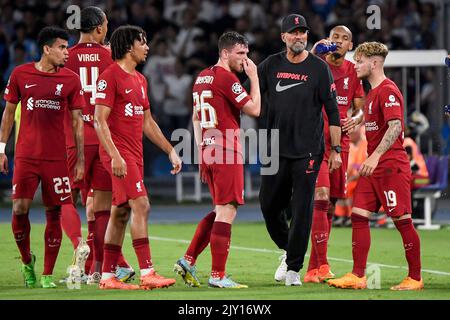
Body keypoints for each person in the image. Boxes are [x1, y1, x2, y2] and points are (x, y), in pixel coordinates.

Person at [328, 42, 423, 291]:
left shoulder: (388, 90)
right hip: (375, 167)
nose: (355, 65)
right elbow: (373, 118)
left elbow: (395, 127)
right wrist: (356, 120)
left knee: (402, 220)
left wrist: (375, 156)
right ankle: (358, 275)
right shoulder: (371, 94)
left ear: (374, 63)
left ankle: (415, 277)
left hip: (391, 165)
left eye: (359, 61)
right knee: (358, 216)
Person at [94, 25, 182, 290]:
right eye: (142, 42)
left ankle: (108, 277)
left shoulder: (140, 80)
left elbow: (148, 123)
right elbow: (99, 121)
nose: (147, 47)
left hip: (134, 155)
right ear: (129, 46)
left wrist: (170, 149)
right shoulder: (109, 77)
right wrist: (115, 156)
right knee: (141, 205)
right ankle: (147, 272)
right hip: (119, 155)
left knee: (120, 213)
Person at [257, 14, 341, 286]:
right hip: (273, 148)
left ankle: (294, 267)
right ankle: (288, 249)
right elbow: (250, 101)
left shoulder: (319, 68)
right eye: (293, 33)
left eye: (302, 32)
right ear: (283, 37)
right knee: (269, 206)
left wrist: (336, 149)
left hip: (308, 150)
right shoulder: (269, 65)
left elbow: (332, 110)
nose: (299, 37)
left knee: (302, 208)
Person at [173, 31, 260, 288]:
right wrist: (254, 78)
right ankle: (218, 275)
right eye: (240, 54)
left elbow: (197, 117)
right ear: (225, 53)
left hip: (209, 149)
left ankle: (188, 259)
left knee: (219, 209)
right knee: (228, 210)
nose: (245, 60)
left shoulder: (202, 77)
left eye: (247, 54)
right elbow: (255, 109)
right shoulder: (227, 78)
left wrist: (201, 150)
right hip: (226, 149)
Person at [0, 26, 85, 288]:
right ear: (46, 49)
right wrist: (1, 149)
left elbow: (77, 122)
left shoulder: (71, 79)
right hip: (26, 156)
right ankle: (28, 261)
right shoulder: (20, 74)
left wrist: (80, 159)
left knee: (54, 212)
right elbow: (7, 114)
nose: (66, 52)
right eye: (61, 47)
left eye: (67, 46)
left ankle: (47, 274)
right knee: (19, 208)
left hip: (56, 159)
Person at [63, 6, 133, 285]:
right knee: (102, 206)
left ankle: (81, 251)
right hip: (105, 140)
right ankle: (99, 269)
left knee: (72, 203)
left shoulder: (64, 57)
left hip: (74, 142)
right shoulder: (111, 57)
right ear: (100, 29)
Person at [303, 25, 365, 283]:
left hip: (342, 142)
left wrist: (357, 119)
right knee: (320, 197)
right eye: (335, 37)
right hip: (315, 141)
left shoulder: (353, 72)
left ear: (351, 46)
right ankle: (324, 264)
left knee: (330, 205)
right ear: (328, 40)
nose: (339, 41)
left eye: (345, 39)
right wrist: (315, 51)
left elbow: (361, 109)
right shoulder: (316, 64)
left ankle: (312, 269)